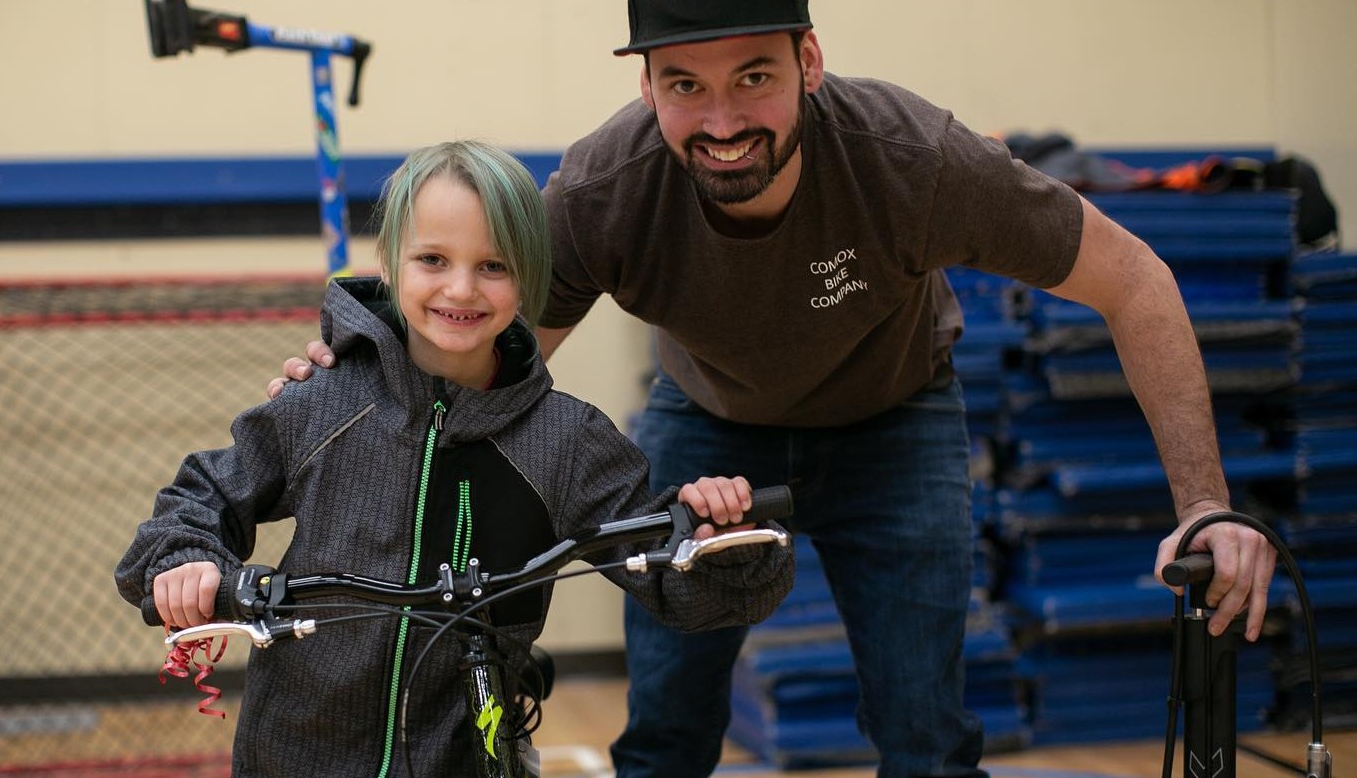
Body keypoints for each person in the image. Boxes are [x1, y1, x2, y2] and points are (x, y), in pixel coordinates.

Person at [271, 3, 1280, 777]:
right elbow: (472, 343)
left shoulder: (911, 161)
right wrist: (349, 378)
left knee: (925, 730)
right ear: (649, 86)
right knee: (666, 723)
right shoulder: (606, 190)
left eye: (753, 77)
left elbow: (1134, 280)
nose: (720, 122)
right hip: (705, 426)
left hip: (899, 418)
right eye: (683, 86)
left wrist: (1204, 502)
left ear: (809, 61)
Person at [116, 139, 794, 778]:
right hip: (294, 753)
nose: (461, 290)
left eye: (493, 266)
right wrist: (186, 561)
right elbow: (192, 507)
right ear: (389, 262)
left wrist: (723, 539)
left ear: (528, 277)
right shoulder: (322, 402)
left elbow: (689, 589)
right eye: (433, 260)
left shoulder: (567, 441)